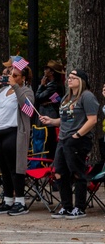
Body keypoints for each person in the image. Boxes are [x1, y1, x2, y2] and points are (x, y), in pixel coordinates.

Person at [41, 69, 99, 219]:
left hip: (78, 139)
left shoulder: (87, 96)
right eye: (69, 77)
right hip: (63, 138)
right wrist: (52, 121)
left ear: (81, 80)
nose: (69, 80)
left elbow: (92, 119)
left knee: (76, 172)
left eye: (74, 77)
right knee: (59, 172)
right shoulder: (67, 97)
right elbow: (66, 119)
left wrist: (77, 135)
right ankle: (66, 206)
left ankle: (79, 207)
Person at [0, 61, 35, 216]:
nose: (11, 77)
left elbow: (28, 109)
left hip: (13, 132)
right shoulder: (2, 91)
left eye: (15, 75)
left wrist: (16, 87)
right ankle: (8, 200)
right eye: (10, 74)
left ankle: (20, 201)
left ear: (23, 78)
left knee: (16, 168)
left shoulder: (26, 90)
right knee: (4, 169)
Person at [34, 60, 65, 160]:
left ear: (52, 72)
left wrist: (42, 86)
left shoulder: (53, 85)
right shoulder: (52, 84)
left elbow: (38, 97)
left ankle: (50, 162)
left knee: (49, 142)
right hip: (49, 115)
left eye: (46, 69)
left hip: (50, 116)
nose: (44, 70)